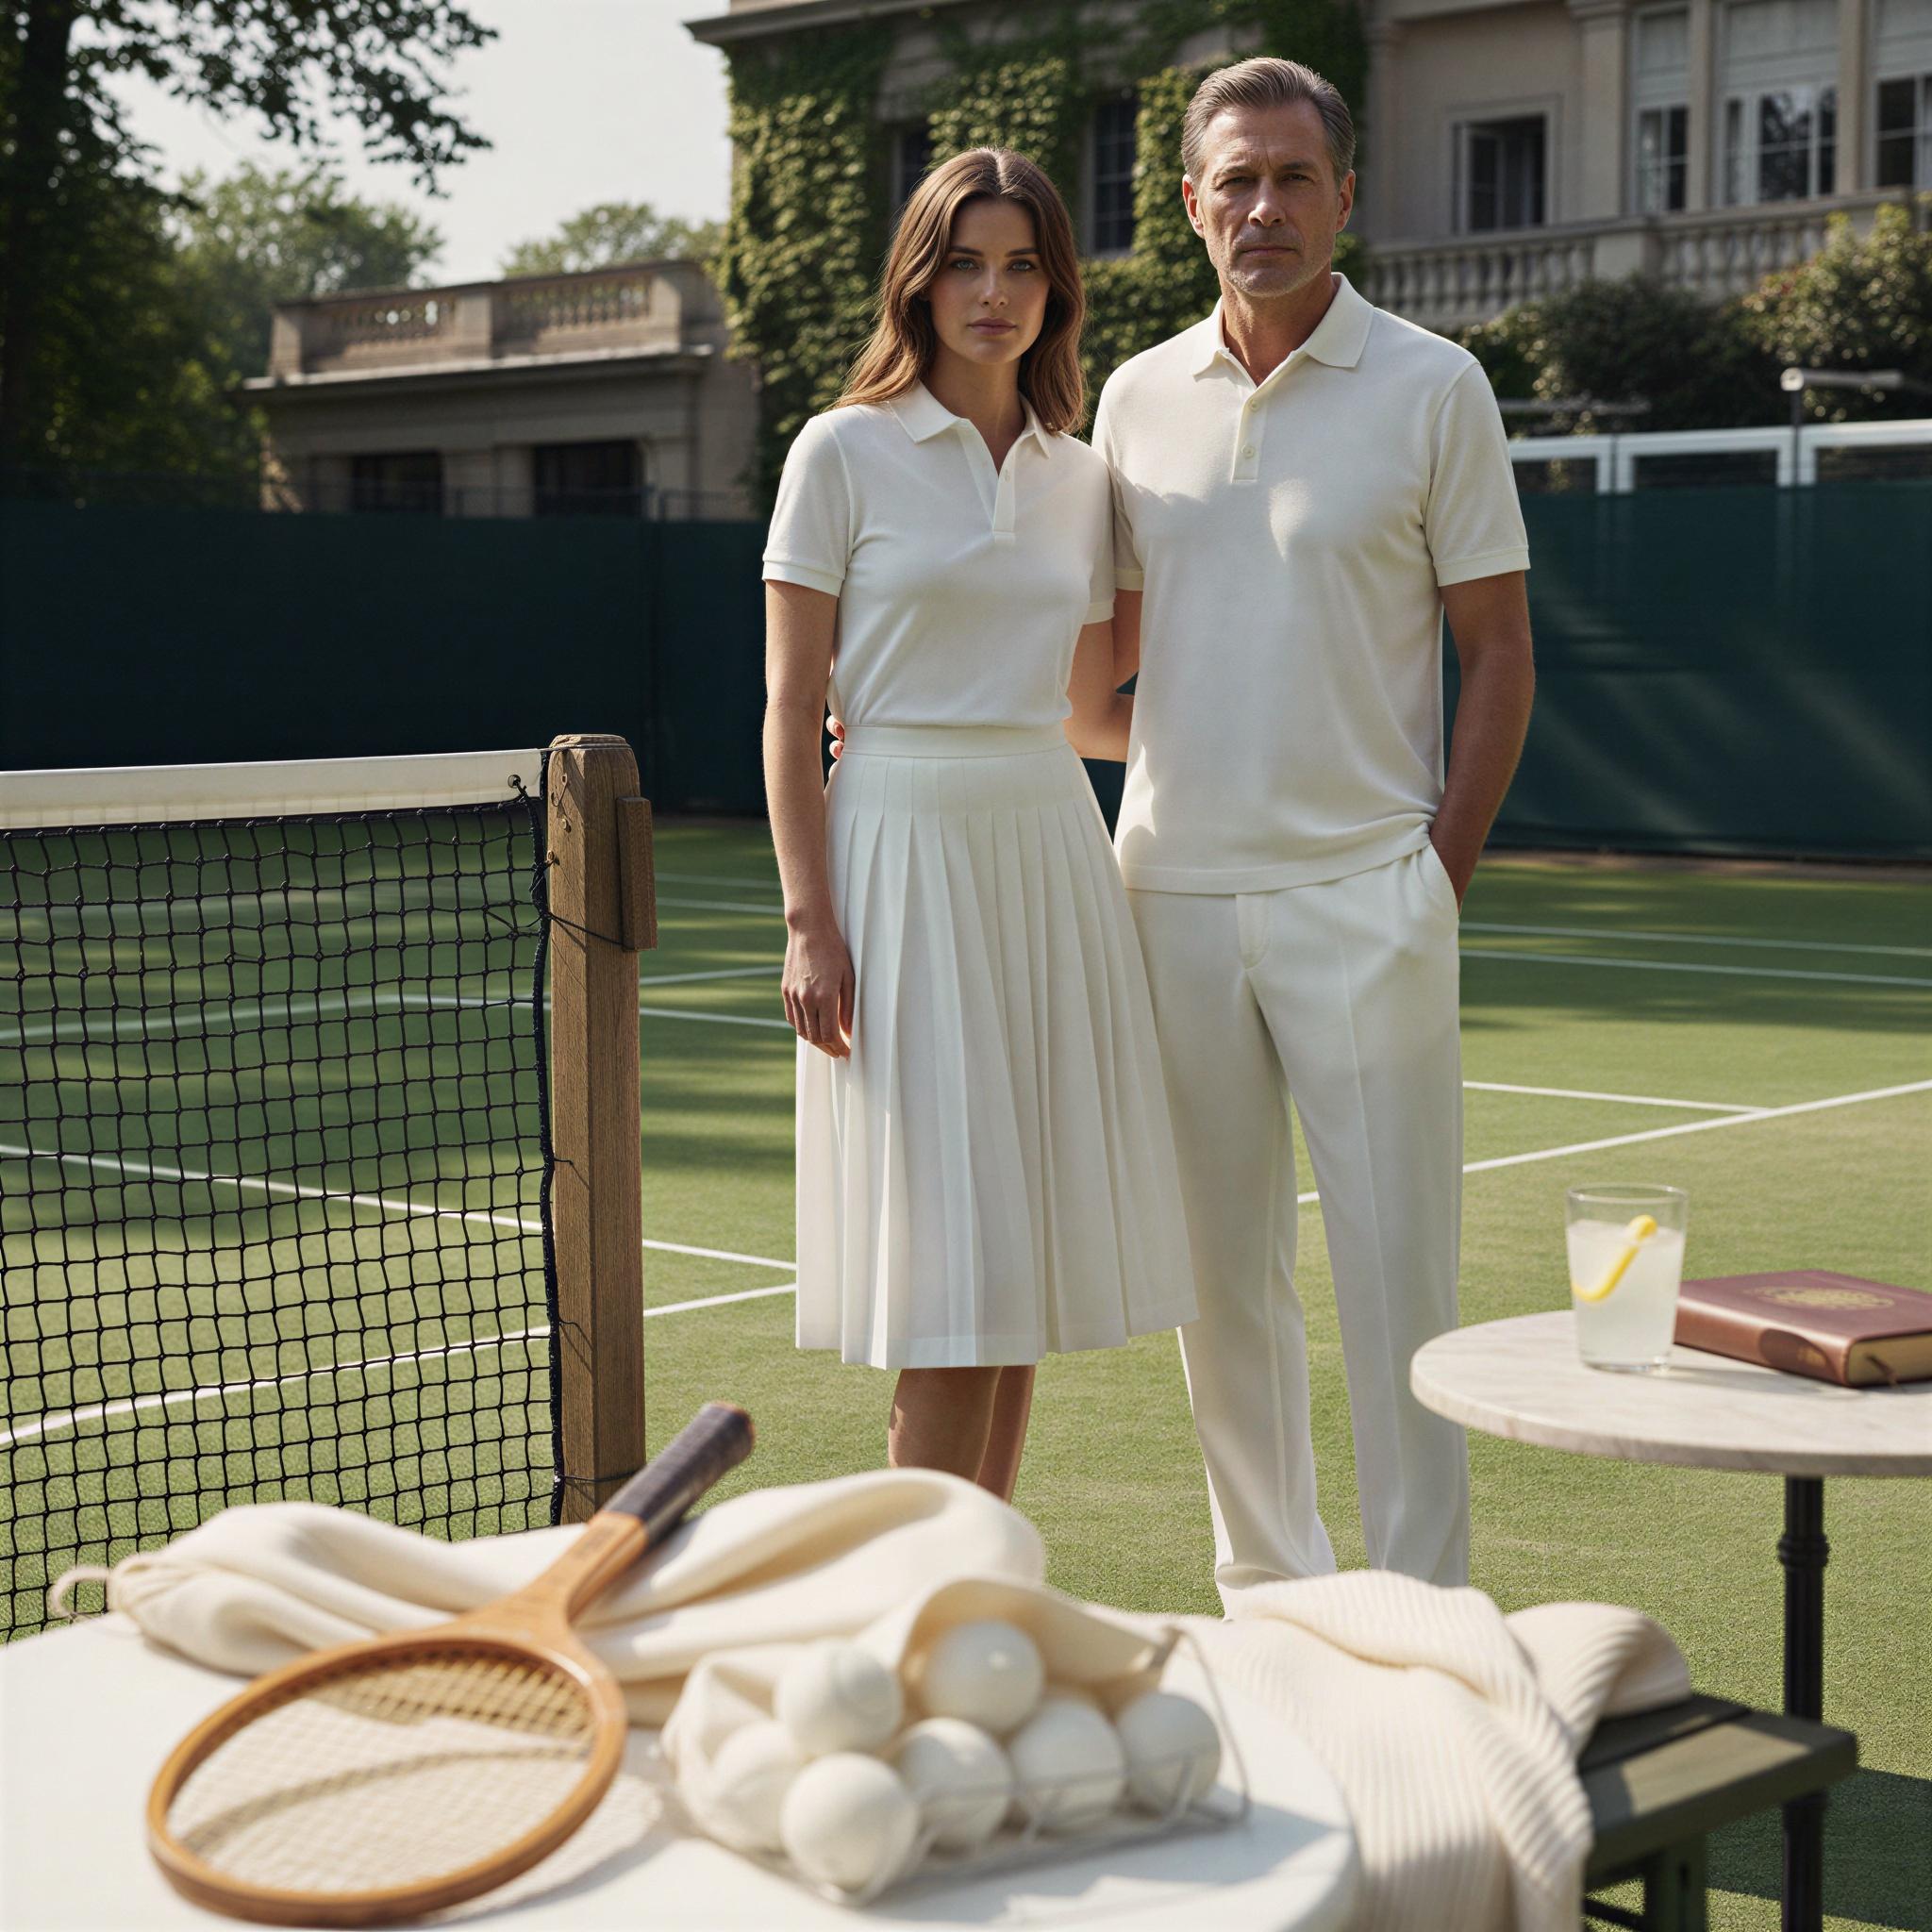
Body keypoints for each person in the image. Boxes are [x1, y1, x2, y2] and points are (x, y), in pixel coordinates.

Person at [1091, 58, 1536, 1602]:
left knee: (1401, 1286)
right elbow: (1100, 668)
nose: (1262, 205)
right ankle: (1272, 1606)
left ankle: (1426, 1627)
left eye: (1293, 176)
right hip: (1172, 901)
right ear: (1195, 203)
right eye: (1235, 178)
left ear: (1346, 195)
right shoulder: (1131, 397)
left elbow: (1503, 654)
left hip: (1372, 893)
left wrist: (1435, 875)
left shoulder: (1436, 387)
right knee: (1221, 1290)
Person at [760, 148, 1196, 1501]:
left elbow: (1085, 712)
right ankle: (912, 1609)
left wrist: (1296, 749)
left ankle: (980, 1580)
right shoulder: (841, 450)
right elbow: (788, 712)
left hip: (1050, 857)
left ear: (1057, 289)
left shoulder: (1081, 478)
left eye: (1020, 265)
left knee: (1015, 1277)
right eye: (964, 262)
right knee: (952, 1279)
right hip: (895, 854)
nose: (992, 292)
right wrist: (811, 922)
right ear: (920, 279)